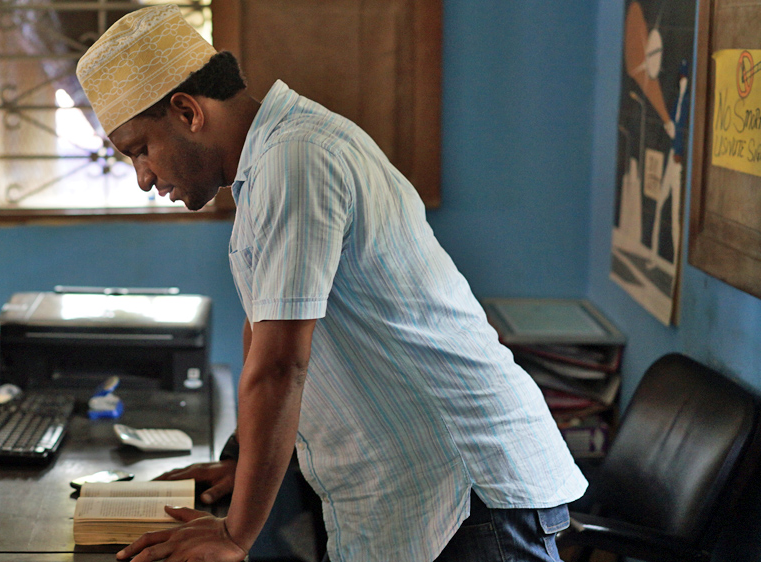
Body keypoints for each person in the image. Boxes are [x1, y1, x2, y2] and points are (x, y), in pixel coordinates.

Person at [76, 5, 588, 561]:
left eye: (140, 150)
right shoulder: (264, 166)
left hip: (468, 496)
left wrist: (234, 534)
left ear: (186, 111)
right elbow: (264, 323)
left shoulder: (295, 159)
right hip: (423, 497)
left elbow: (281, 364)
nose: (144, 178)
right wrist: (242, 458)